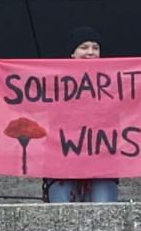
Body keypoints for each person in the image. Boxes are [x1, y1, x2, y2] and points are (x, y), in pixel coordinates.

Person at [43, 40, 120, 205]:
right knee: (63, 220)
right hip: (61, 167)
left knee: (104, 218)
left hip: (103, 165)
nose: (91, 52)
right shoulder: (54, 83)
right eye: (84, 47)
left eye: (96, 48)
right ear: (72, 54)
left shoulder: (113, 84)